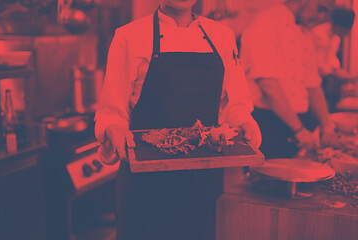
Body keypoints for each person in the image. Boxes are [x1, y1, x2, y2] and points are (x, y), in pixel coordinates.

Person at [94, 0, 261, 239]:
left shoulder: (222, 36)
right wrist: (113, 128)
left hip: (202, 181)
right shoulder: (128, 36)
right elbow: (112, 111)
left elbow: (235, 106)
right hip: (146, 184)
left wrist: (244, 122)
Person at [240, 0, 336, 159]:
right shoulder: (265, 23)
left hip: (295, 124)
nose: (322, 17)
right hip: (267, 124)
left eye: (327, 14)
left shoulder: (304, 32)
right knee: (267, 182)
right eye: (320, 9)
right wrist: (299, 130)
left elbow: (313, 85)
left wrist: (327, 127)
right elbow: (268, 86)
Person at [310, 6, 357, 110]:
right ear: (338, 26)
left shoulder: (336, 38)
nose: (346, 35)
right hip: (313, 80)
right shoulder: (318, 34)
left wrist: (343, 73)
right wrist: (339, 74)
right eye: (345, 31)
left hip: (326, 79)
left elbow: (331, 60)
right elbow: (319, 65)